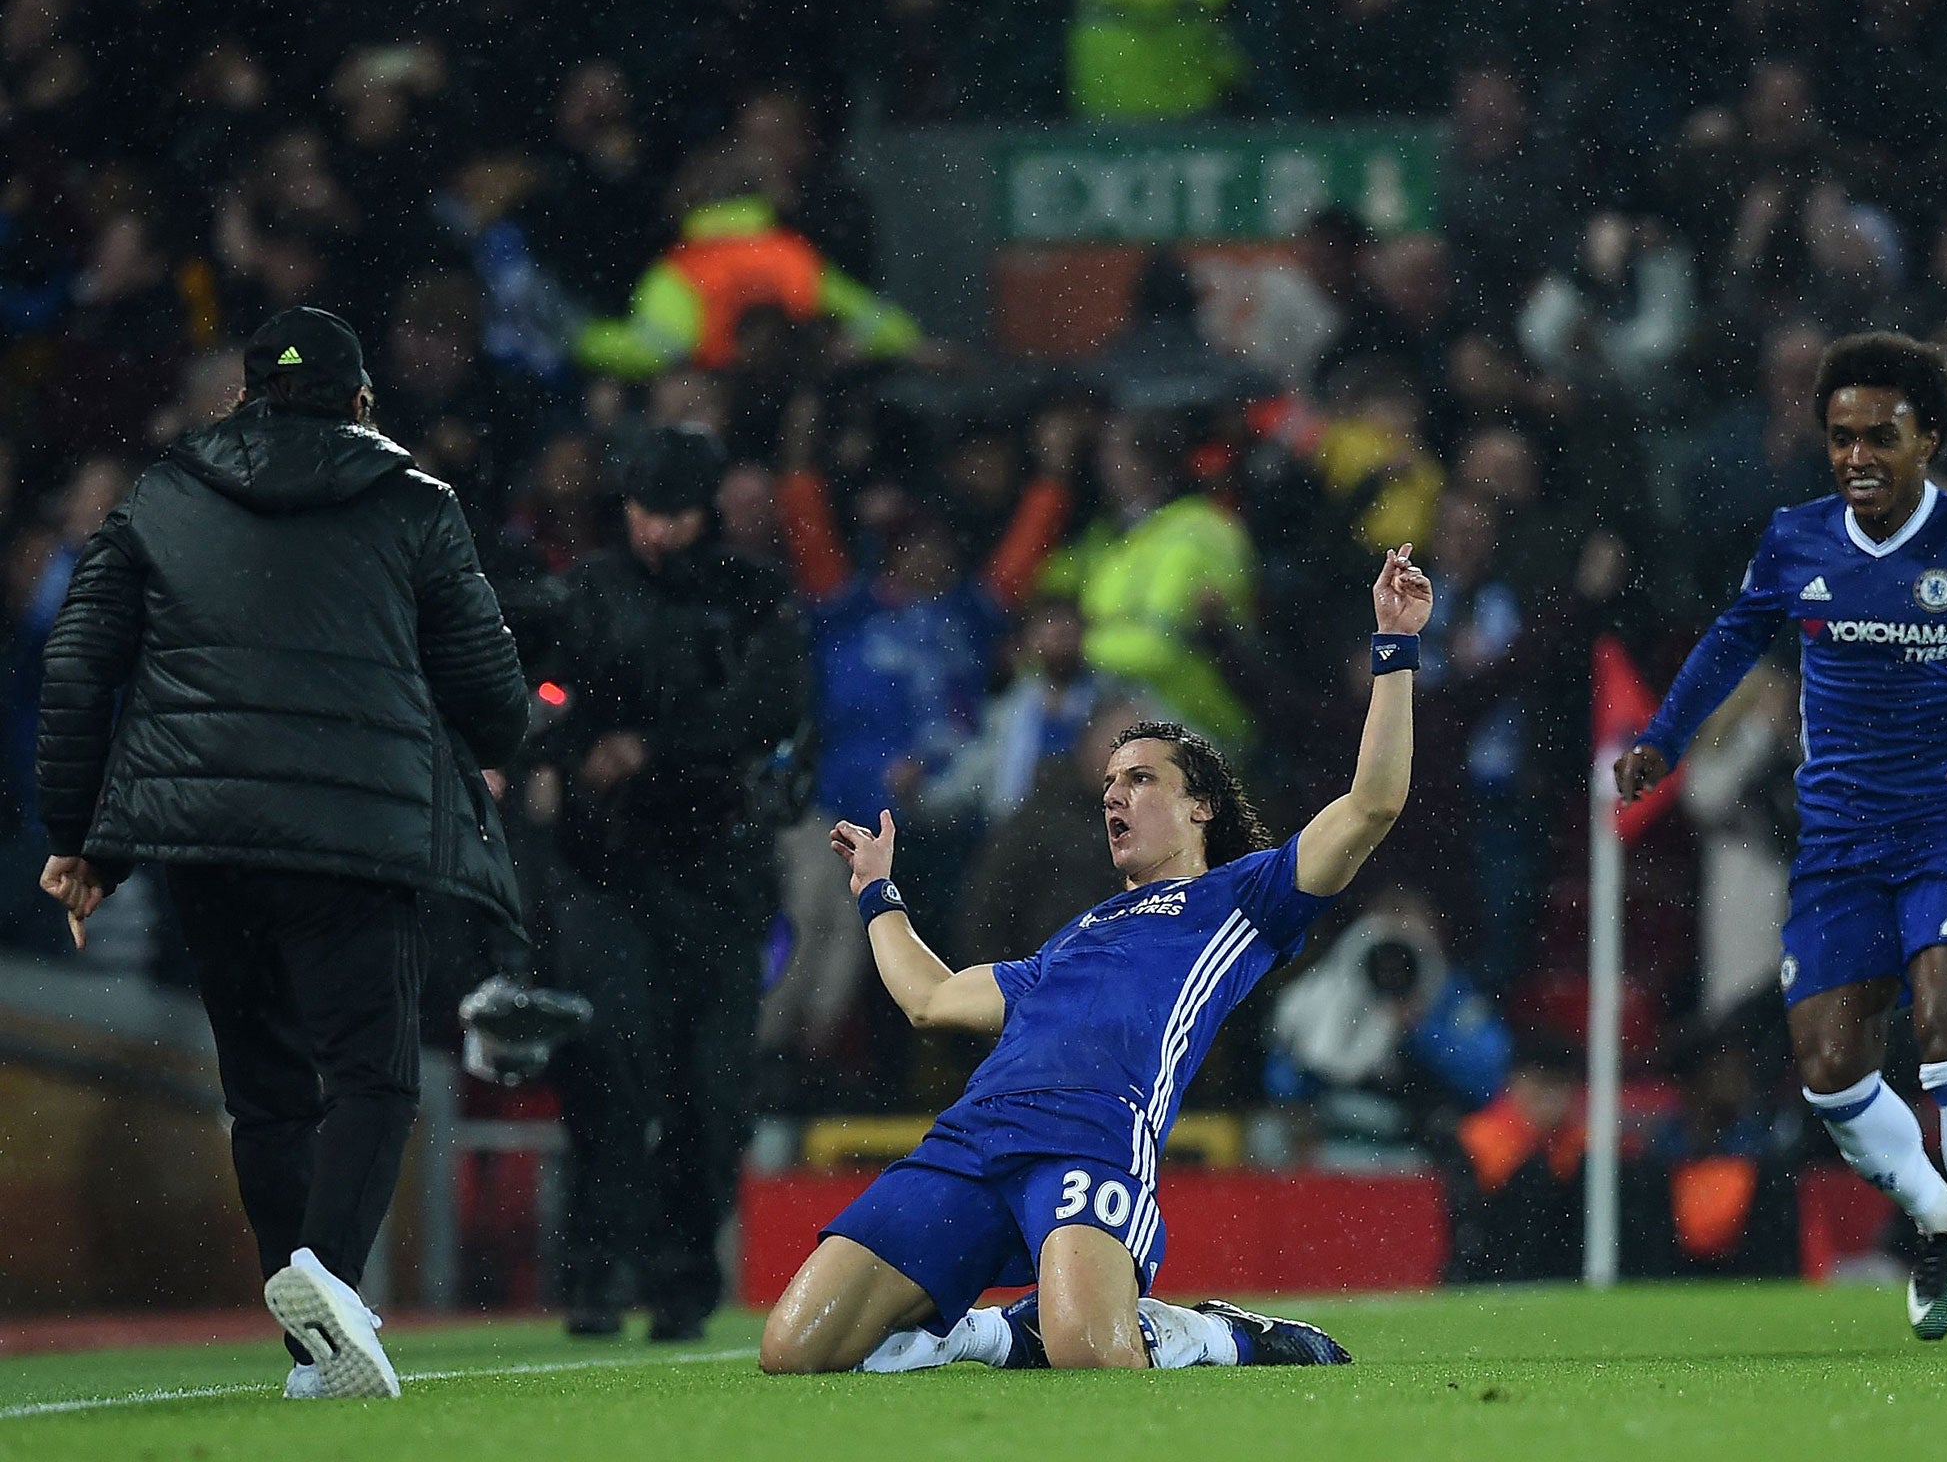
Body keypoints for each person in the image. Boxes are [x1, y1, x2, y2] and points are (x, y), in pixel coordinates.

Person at [759, 543, 1433, 1374]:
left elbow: (1374, 802)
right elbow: (930, 998)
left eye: (1142, 778)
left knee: (1093, 1356)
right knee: (794, 1350)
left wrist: (1394, 647)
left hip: (1094, 1141)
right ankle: (993, 1330)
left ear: (1201, 807)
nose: (1114, 793)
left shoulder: (1245, 899)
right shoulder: (1070, 939)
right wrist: (875, 893)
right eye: (1110, 780)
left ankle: (1213, 1334)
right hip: (971, 1141)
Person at [35, 306, 529, 1397]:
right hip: (356, 839)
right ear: (360, 401)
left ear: (244, 398)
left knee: (264, 1095)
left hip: (205, 847)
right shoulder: (414, 503)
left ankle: (312, 1340)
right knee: (371, 1079)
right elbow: (492, 695)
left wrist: (76, 838)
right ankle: (330, 1297)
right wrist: (508, 743)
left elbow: (77, 666)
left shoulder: (160, 495)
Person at [1616, 332, 1947, 1349]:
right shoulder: (1796, 539)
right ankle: (1934, 1218)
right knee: (1828, 1072)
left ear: (1926, 438)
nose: (1855, 456)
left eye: (1879, 437)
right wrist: (1662, 739)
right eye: (1839, 437)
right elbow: (1732, 639)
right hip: (1838, 847)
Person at [517, 422, 807, 1341]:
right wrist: (570, 744)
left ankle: (683, 1281)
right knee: (611, 1066)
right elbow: (536, 698)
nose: (655, 533)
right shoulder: (585, 595)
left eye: (673, 514)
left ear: (705, 514)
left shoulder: (752, 598)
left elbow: (769, 712)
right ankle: (597, 1275)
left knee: (710, 1087)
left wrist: (646, 749)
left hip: (717, 869)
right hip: (606, 868)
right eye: (643, 511)